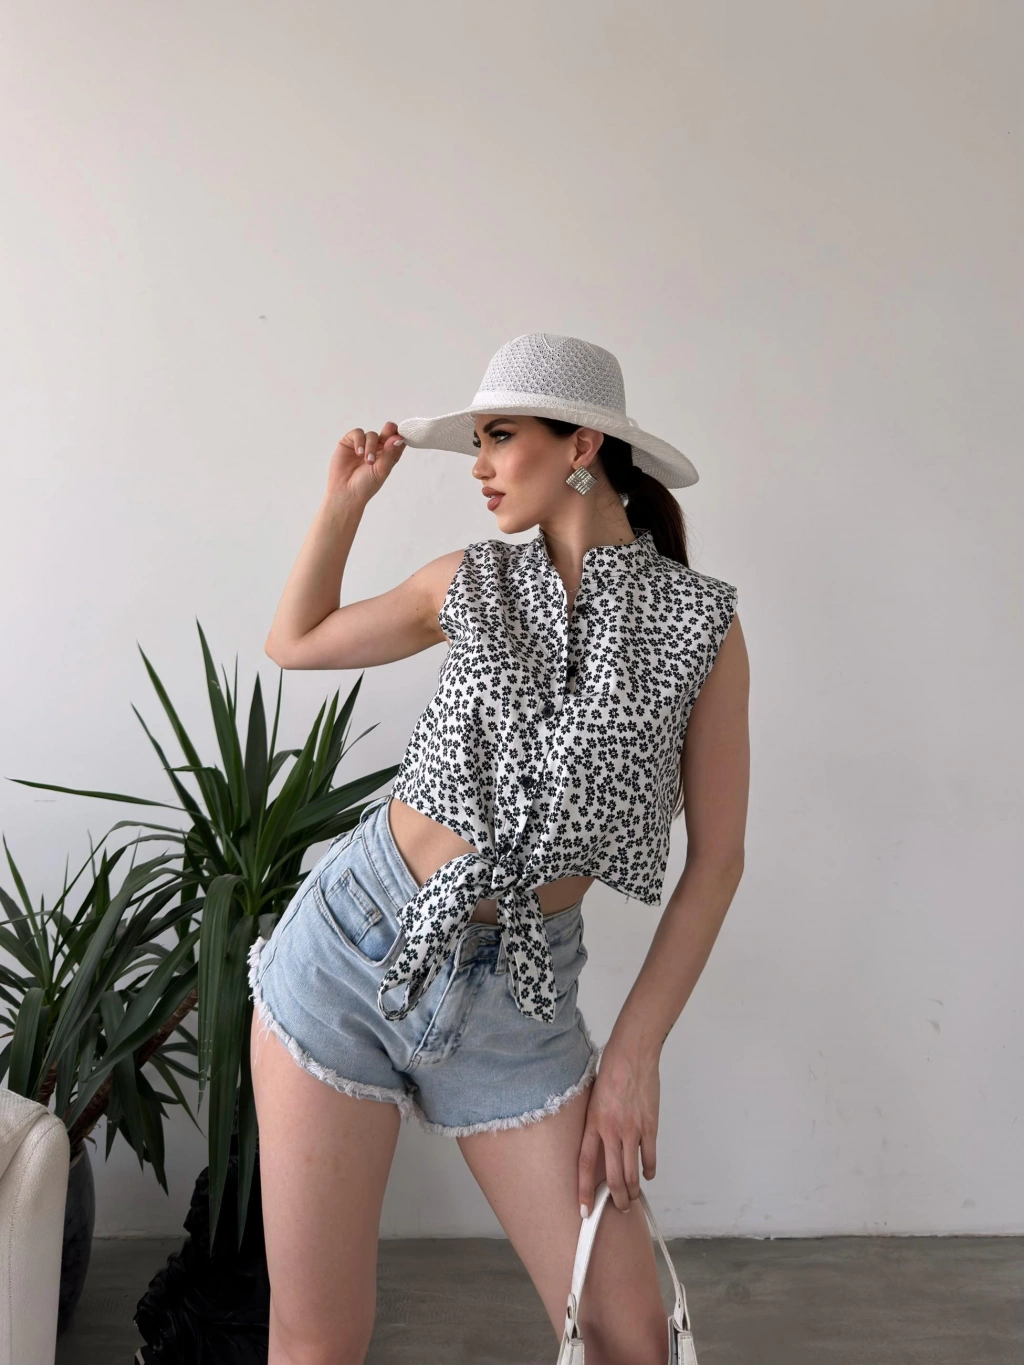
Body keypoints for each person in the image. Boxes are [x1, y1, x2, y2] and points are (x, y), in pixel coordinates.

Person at [248, 333, 750, 1365]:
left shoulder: (699, 626)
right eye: (476, 440)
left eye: (499, 437)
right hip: (354, 946)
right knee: (318, 1340)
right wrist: (346, 501)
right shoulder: (466, 581)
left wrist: (633, 1055)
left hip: (517, 1001)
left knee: (631, 1339)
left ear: (582, 445)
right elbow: (295, 641)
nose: (478, 465)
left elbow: (717, 861)